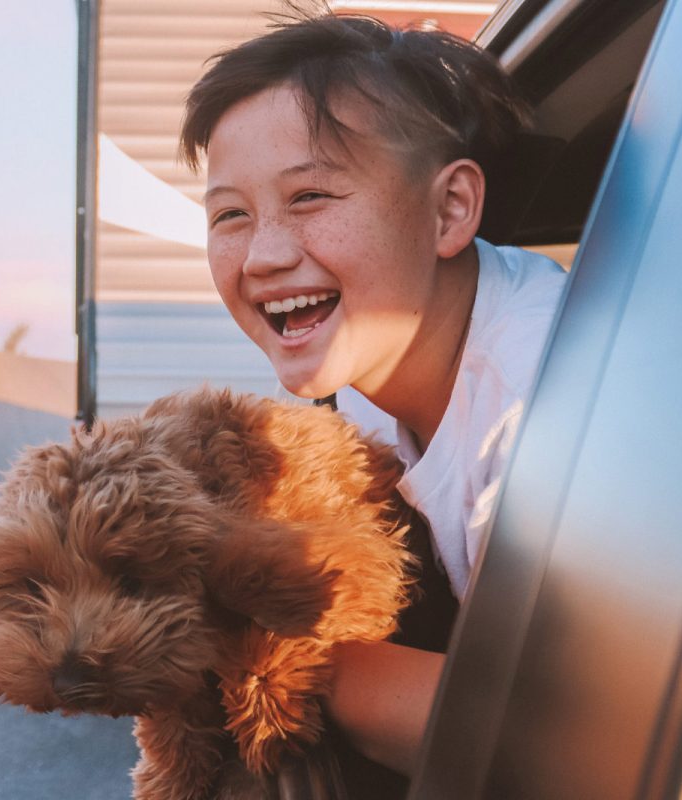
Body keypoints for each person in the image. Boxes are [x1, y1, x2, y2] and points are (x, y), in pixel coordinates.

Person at [178, 8, 569, 782]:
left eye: (312, 197)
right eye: (230, 214)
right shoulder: (366, 382)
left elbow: (552, 743)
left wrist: (259, 649)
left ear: (449, 209)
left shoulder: (544, 404)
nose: (262, 255)